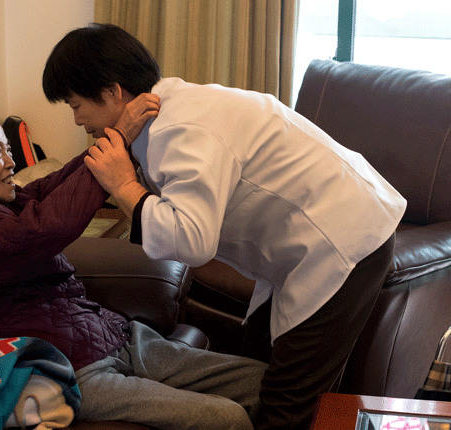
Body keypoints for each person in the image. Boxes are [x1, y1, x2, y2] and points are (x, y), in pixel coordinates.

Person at [42, 23, 408, 430]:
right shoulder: (167, 113)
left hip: (346, 239)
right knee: (257, 362)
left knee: (287, 406)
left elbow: (192, 241)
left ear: (111, 92)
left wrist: (124, 185)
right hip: (319, 236)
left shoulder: (177, 129)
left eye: (75, 105)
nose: (77, 120)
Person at [0, 103, 267, 430]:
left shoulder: (6, 204)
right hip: (76, 370)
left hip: (112, 336)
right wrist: (121, 139)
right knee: (227, 419)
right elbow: (49, 225)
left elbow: (58, 182)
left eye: (8, 148)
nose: (11, 161)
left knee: (264, 382)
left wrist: (115, 141)